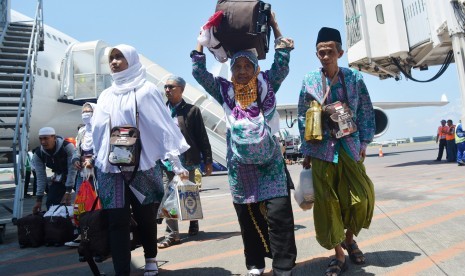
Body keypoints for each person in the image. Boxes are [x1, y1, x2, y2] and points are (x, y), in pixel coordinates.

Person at [192, 12, 296, 276]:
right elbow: (199, 72)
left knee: (279, 215)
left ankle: (283, 265)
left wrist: (274, 24)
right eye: (236, 66)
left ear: (254, 67)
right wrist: (202, 40)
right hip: (240, 167)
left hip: (270, 163)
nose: (241, 71)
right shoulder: (225, 92)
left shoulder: (267, 84)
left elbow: (282, 63)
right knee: (247, 217)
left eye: (246, 66)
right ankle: (255, 264)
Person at [92, 44, 190, 276]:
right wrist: (92, 158)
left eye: (119, 57)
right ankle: (121, 270)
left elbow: (163, 127)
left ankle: (151, 259)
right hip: (111, 167)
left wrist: (176, 164)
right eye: (111, 58)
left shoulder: (146, 90)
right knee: (116, 221)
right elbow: (95, 130)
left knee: (145, 217)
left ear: (132, 60)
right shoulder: (106, 94)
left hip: (141, 166)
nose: (114, 62)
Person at [297, 27, 376, 276]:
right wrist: (306, 150)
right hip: (322, 150)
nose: (326, 56)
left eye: (330, 51)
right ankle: (339, 254)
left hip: (350, 147)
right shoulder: (309, 80)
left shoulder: (353, 78)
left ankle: (349, 238)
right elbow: (302, 116)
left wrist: (363, 143)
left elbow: (365, 110)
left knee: (360, 198)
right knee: (327, 204)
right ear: (316, 54)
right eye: (321, 52)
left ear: (340, 52)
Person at [157, 75, 213, 249]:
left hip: (188, 159)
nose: (167, 90)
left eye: (171, 87)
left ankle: (193, 220)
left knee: (189, 194)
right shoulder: (161, 110)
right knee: (168, 195)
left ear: (181, 89)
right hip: (167, 161)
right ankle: (172, 234)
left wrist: (208, 160)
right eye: (166, 87)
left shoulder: (192, 110)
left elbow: (202, 137)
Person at [65, 102, 96, 248]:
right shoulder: (82, 131)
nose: (86, 114)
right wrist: (76, 160)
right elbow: (77, 151)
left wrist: (92, 160)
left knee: (97, 204)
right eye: (83, 111)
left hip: (97, 174)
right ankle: (82, 234)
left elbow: (104, 150)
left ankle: (97, 233)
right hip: (82, 174)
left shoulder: (100, 129)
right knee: (81, 204)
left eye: (89, 111)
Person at [32, 127, 77, 212]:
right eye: (40, 139)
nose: (43, 142)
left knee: (83, 201)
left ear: (54, 138)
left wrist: (68, 191)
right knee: (51, 203)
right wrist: (39, 199)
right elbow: (40, 177)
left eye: (46, 138)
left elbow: (72, 169)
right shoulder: (38, 154)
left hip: (77, 175)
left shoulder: (67, 147)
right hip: (60, 176)